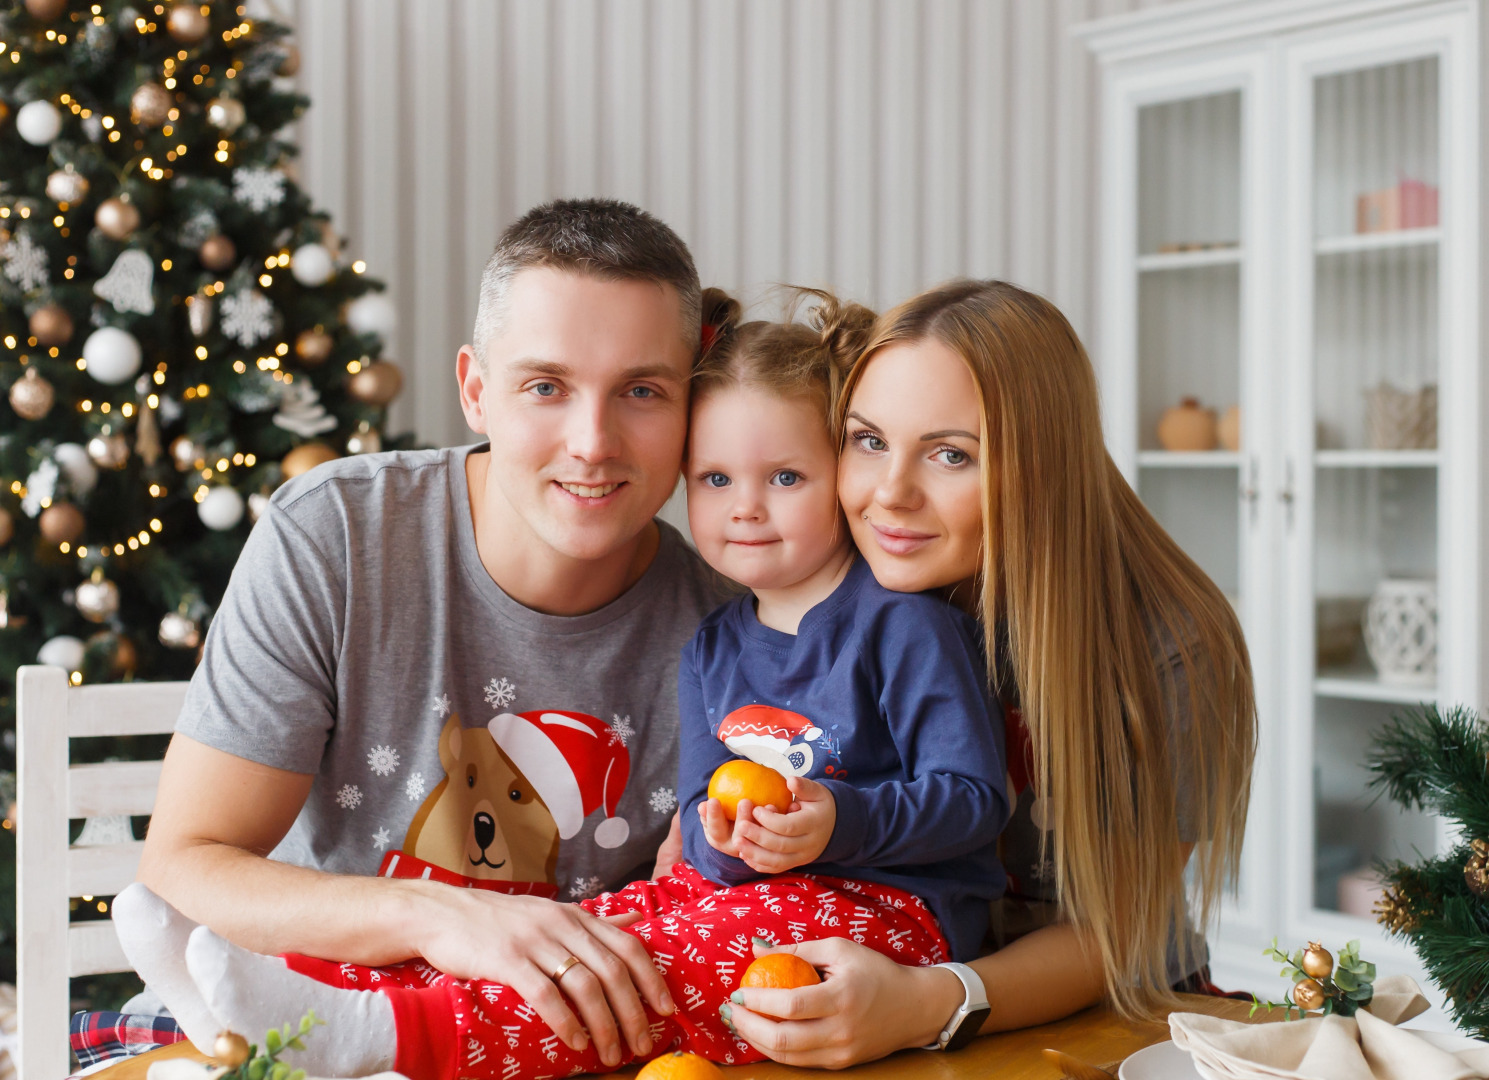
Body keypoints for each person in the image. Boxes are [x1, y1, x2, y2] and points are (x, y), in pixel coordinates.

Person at [115, 287, 1009, 1079]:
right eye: (717, 479)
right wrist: (716, 842)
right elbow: (704, 810)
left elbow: (975, 801)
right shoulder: (715, 640)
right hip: (733, 898)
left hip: (884, 916)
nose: (744, 507)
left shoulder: (898, 621)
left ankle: (382, 1036)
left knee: (631, 975)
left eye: (784, 478)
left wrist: (827, 825)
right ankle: (271, 1007)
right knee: (600, 934)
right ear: (478, 390)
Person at [131, 198, 739, 1072]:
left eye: (642, 391)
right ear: (475, 390)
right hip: (298, 1029)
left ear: (693, 402)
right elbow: (185, 866)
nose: (592, 442)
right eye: (545, 387)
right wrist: (439, 912)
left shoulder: (732, 626)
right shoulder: (338, 533)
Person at [722, 279, 1258, 1068]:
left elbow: (1117, 933)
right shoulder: (845, 589)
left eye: (950, 456)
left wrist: (927, 1003)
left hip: (1109, 1023)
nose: (888, 496)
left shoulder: (1172, 650)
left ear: (1042, 464)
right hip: (885, 1007)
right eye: (868, 441)